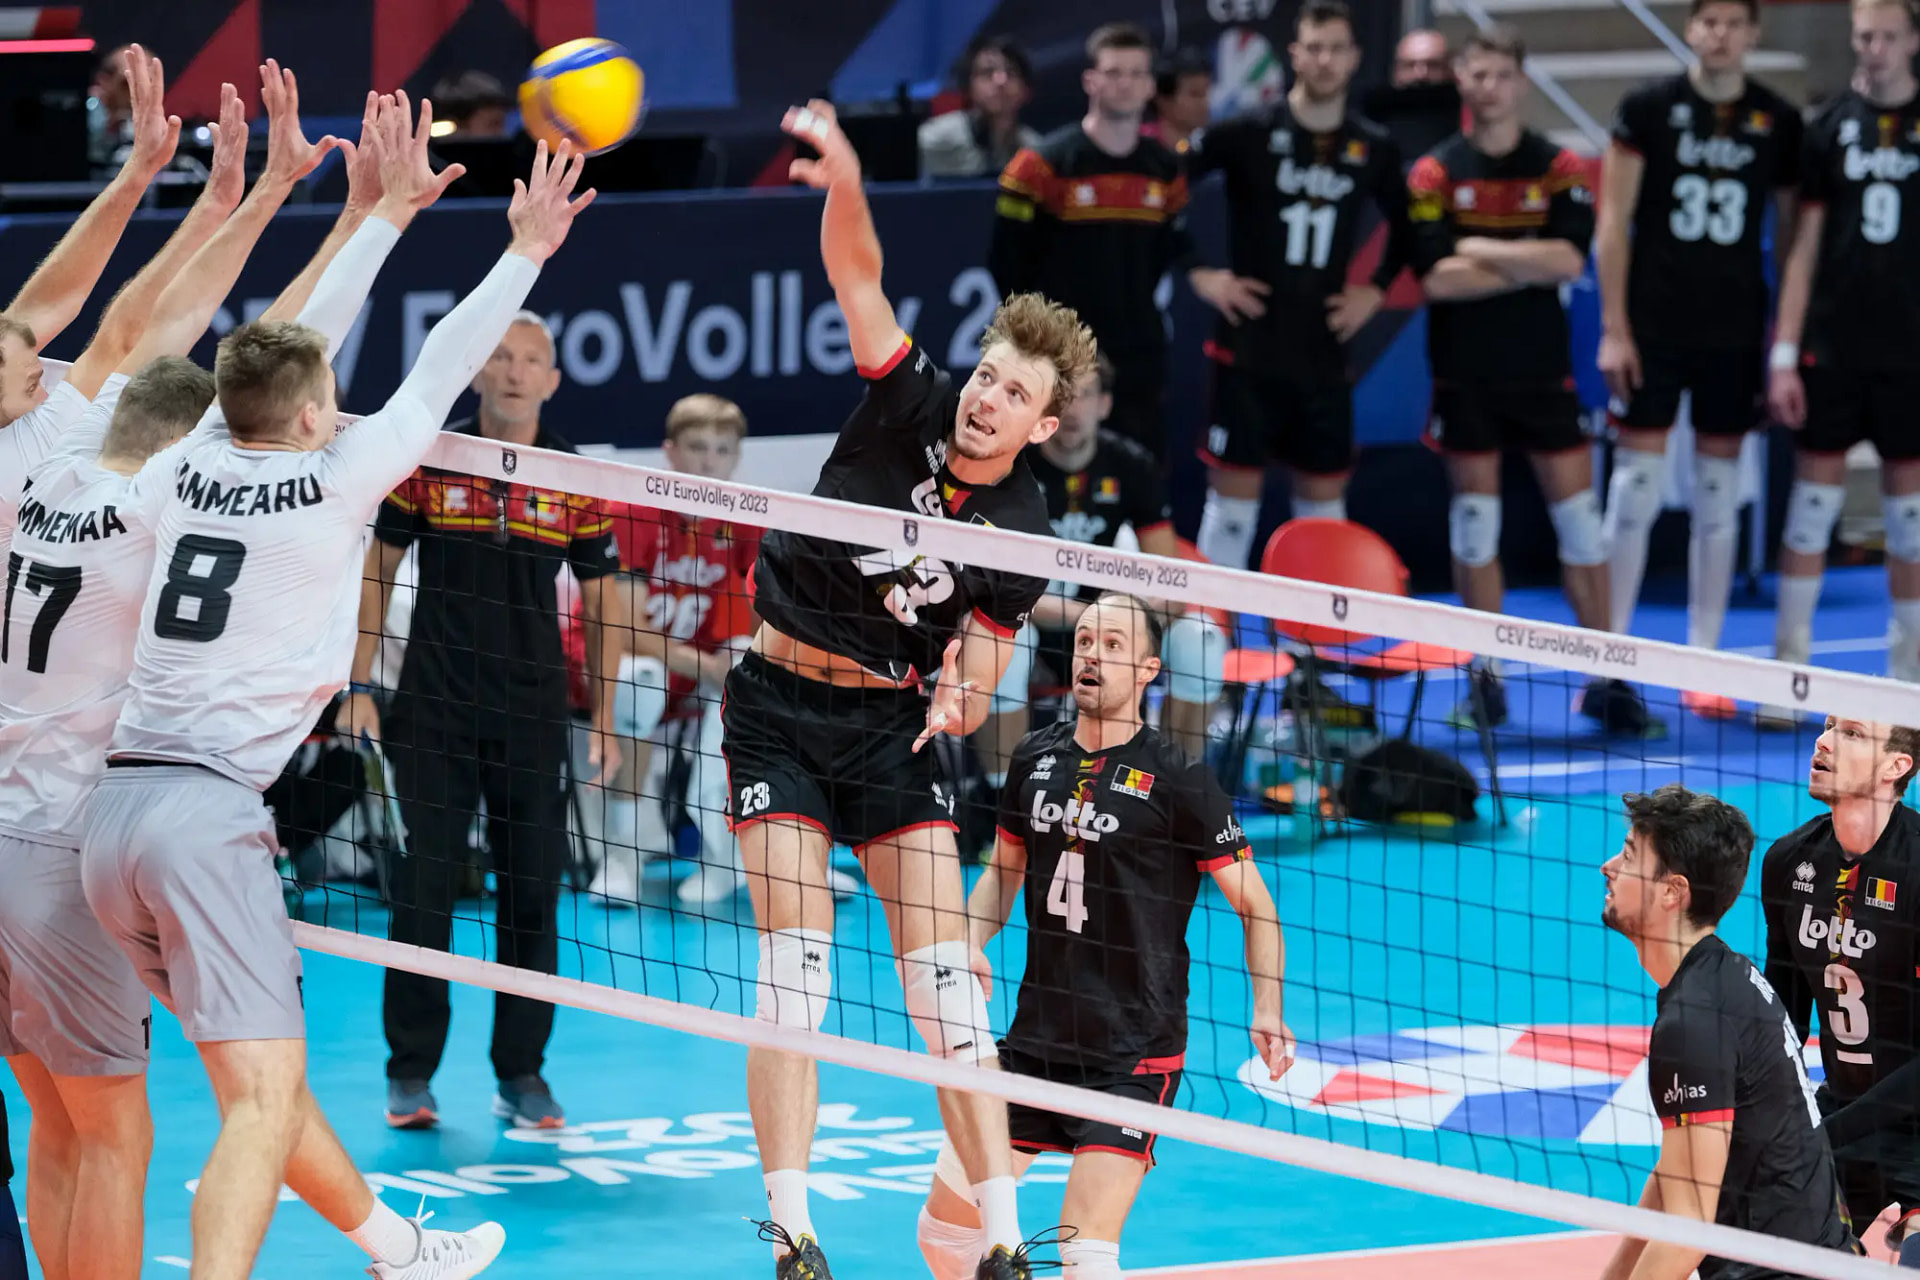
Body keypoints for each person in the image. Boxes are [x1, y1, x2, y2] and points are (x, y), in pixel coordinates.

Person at [77, 93, 593, 1280]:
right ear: (314, 415)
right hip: (209, 820)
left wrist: (384, 217)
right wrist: (525, 246)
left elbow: (286, 342)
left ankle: (399, 1247)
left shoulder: (184, 460)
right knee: (257, 1099)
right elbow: (442, 359)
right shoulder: (338, 476)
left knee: (263, 1079)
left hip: (112, 821)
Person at [732, 98, 1094, 1280]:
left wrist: (966, 698)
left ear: (1042, 425)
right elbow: (858, 272)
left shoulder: (1025, 528)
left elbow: (984, 658)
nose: (986, 399)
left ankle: (1001, 1243)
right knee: (795, 974)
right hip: (780, 705)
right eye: (986, 375)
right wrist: (844, 174)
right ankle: (794, 1231)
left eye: (1010, 395)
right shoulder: (908, 396)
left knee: (950, 990)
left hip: (891, 727)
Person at [0, 79, 261, 1280]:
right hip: (54, 840)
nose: (40, 352)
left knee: (55, 1119)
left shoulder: (37, 449)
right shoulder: (66, 469)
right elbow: (123, 338)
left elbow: (94, 324)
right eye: (20, 357)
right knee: (114, 1128)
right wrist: (247, 201)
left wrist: (173, 184)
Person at [917, 593, 1293, 1280]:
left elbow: (1258, 908)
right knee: (943, 1235)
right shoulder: (1034, 757)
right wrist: (967, 939)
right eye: (1086, 639)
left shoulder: (1179, 779)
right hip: (1036, 1040)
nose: (1093, 653)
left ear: (1150, 668)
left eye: (1114, 645)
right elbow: (1003, 872)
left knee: (1084, 1253)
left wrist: (1266, 1006)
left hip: (1132, 1052)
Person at [342, 301, 621, 1133]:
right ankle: (410, 1074)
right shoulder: (430, 457)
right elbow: (377, 572)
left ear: (553, 378)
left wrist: (602, 716)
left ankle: (521, 1074)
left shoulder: (576, 475)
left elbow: (606, 603)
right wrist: (359, 684)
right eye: (498, 355)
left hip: (534, 717)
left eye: (529, 358)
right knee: (422, 894)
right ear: (477, 368)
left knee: (533, 893)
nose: (511, 370)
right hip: (431, 709)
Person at [1407, 27, 1657, 736]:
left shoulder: (1559, 166)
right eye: (1475, 74)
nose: (1487, 86)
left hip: (1545, 378)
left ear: (1520, 81)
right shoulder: (1433, 171)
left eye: (1499, 75)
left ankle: (1609, 680)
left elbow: (1567, 261)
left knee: (1580, 528)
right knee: (1475, 525)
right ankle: (1485, 681)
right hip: (1464, 378)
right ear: (1462, 82)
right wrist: (1523, 254)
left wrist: (1477, 244)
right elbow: (1435, 277)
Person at [1595, 0, 1802, 718]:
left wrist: (1782, 339)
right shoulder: (1650, 107)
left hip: (1734, 330)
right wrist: (1614, 326)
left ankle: (1706, 659)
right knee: (1634, 490)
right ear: (1690, 29)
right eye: (1706, 21)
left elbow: (1798, 231)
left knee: (1719, 495)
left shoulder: (1776, 120)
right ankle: (1610, 659)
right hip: (1653, 323)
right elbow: (1611, 224)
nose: (1718, 34)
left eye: (1731, 23)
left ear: (1752, 34)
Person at [1600, 784, 1855, 1280]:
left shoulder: (1693, 1020)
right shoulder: (1723, 975)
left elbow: (1688, 1232)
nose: (1609, 866)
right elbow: (1676, 1171)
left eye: (1629, 855)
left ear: (1672, 892)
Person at [1188, 0, 1411, 566]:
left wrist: (1377, 287)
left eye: (1337, 48)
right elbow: (1163, 191)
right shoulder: (1245, 135)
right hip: (1248, 349)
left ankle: (1307, 650)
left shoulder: (1373, 146)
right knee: (1231, 510)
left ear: (1355, 58)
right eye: (1314, 47)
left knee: (1322, 517)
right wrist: (1202, 273)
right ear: (1294, 55)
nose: (1325, 60)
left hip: (1324, 352)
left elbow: (1417, 225)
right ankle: (1211, 646)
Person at [992, 23, 1258, 458]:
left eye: (1136, 74)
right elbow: (1006, 264)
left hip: (1139, 352)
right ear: (1090, 81)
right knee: (1049, 473)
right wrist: (1041, 345)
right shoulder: (1039, 166)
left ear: (1151, 85)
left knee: (1138, 469)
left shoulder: (1165, 169)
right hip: (1060, 349)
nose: (1126, 84)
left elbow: (1173, 237)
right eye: (1114, 72)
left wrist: (1201, 273)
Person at [1763, 0, 1920, 714]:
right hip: (1833, 346)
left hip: (1909, 354)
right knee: (1809, 513)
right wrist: (1785, 353)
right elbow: (1802, 249)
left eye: (1888, 36)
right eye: (1865, 36)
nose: (1875, 48)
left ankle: (1908, 676)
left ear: (1913, 40)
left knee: (1909, 519)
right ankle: (1788, 671)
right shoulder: (1826, 128)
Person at [976, 354, 1224, 790]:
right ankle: (1006, 801)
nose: (1074, 411)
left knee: (1199, 637)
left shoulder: (1131, 466)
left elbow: (1170, 580)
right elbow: (999, 591)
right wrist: (1091, 617)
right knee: (1003, 643)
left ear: (1105, 405)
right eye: (1064, 398)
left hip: (1108, 627)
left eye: (1086, 396)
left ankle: (1175, 796)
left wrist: (1125, 620)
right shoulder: (1011, 466)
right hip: (1032, 618)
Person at [594, 393, 786, 908]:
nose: (709, 461)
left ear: (737, 458)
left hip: (708, 671)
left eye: (722, 450)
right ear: (670, 452)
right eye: (697, 447)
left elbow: (750, 630)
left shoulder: (749, 520)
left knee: (753, 680)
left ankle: (725, 861)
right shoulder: (632, 509)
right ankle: (622, 858)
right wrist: (701, 666)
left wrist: (725, 669)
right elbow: (626, 630)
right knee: (639, 680)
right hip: (637, 666)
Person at [2, 44, 186, 538]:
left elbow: (40, 307)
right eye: (27, 381)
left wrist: (138, 170)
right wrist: (224, 203)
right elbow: (121, 336)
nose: (43, 378)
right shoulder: (24, 454)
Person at [1762, 716, 1920, 1266]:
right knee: (1752, 1245)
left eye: (1851, 733)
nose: (1823, 741)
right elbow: (1781, 1020)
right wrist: (1777, 1122)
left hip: (1910, 1121)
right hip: (1843, 1111)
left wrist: (1821, 1136)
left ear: (1896, 767)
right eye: (1827, 726)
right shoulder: (1789, 861)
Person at [918, 36, 1040, 180]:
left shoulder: (1035, 150)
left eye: (1011, 73)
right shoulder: (934, 138)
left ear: (1025, 90)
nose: (1000, 81)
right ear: (969, 87)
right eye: (987, 73)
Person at [1143, 50, 1211, 153]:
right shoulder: (1138, 144)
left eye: (1205, 94)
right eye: (1195, 94)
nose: (1204, 102)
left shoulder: (1211, 147)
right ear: (1163, 100)